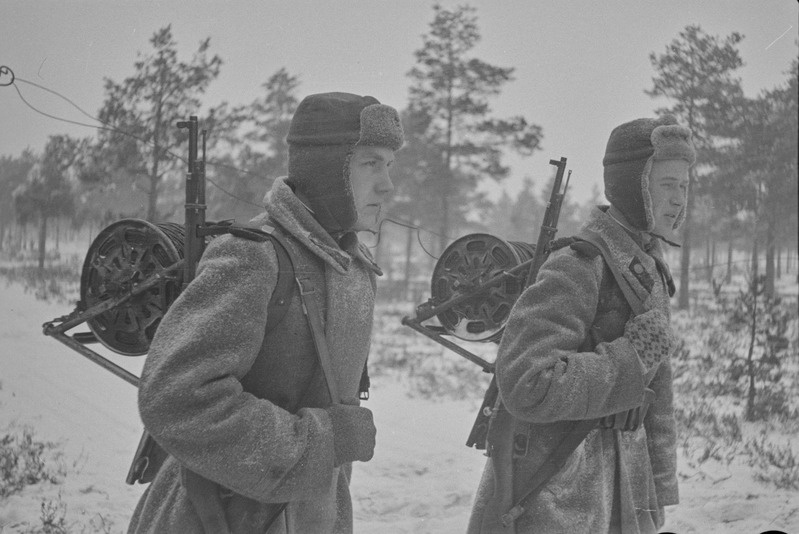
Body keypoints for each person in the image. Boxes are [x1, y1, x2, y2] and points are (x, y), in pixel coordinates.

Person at [127, 92, 404, 533]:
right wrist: (322, 441)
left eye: (389, 165)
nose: (388, 184)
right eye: (371, 163)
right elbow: (175, 397)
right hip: (217, 517)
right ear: (327, 169)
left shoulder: (354, 269)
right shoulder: (255, 257)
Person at [467, 115, 695, 534]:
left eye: (684, 185)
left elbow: (656, 395)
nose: (679, 199)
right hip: (559, 490)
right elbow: (526, 383)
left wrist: (657, 490)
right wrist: (630, 357)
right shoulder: (579, 266)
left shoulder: (650, 268)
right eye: (666, 184)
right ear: (633, 184)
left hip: (626, 486)